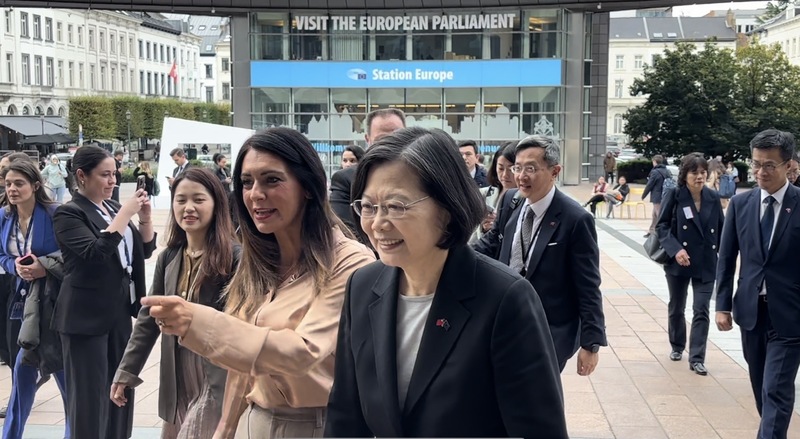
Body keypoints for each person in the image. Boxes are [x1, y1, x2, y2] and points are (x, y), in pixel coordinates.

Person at [325, 127, 567, 438]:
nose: (378, 224)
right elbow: (346, 412)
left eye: (396, 206)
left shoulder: (505, 298)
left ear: (447, 208)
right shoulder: (363, 285)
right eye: (368, 206)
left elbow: (540, 429)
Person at [141, 127, 375, 437]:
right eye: (247, 182)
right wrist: (225, 427)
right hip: (254, 420)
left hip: (317, 425)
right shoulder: (258, 259)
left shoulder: (350, 261)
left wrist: (196, 320)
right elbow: (244, 362)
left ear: (307, 185)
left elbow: (301, 353)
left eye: (272, 180)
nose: (255, 194)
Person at [112, 168, 239, 438]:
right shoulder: (169, 257)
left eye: (198, 200)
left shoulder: (235, 258)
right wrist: (127, 370)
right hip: (177, 373)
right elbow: (148, 319)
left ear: (216, 204)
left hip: (215, 374)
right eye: (181, 200)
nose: (188, 208)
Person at [473, 135, 607, 373]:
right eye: (518, 167)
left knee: (540, 400)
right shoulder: (510, 201)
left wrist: (591, 344)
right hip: (506, 320)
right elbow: (490, 244)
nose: (521, 177)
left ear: (555, 171)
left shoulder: (575, 219)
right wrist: (451, 254)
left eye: (531, 168)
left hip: (549, 330)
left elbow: (588, 285)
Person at [52, 145, 156, 439]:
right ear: (82, 176)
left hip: (119, 313)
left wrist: (145, 219)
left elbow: (143, 251)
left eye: (115, 174)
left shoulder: (110, 209)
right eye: (105, 175)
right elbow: (96, 252)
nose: (112, 181)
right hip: (84, 319)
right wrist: (126, 212)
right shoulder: (68, 214)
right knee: (89, 399)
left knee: (121, 390)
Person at [716, 129, 800, 438]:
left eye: (769, 165)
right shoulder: (741, 205)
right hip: (751, 313)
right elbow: (726, 259)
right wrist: (722, 305)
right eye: (756, 164)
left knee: (776, 389)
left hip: (790, 317)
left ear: (788, 166)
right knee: (762, 390)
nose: (760, 172)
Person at [0, 160, 70, 439]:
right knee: (22, 372)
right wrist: (13, 265)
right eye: (8, 184)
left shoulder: (55, 214)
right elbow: (1, 255)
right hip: (22, 302)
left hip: (54, 300)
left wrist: (42, 265)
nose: (13, 189)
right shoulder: (4, 216)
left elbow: (73, 253)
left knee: (63, 374)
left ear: (35, 186)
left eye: (19, 183)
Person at [656, 153, 724, 376]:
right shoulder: (675, 195)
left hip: (706, 262)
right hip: (679, 262)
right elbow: (662, 227)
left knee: (701, 309)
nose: (700, 177)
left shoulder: (713, 198)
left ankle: (697, 358)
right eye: (695, 172)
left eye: (703, 172)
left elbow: (722, 230)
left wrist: (728, 256)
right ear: (685, 175)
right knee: (677, 306)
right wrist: (676, 250)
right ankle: (677, 345)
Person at [330, 108, 406, 238]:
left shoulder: (422, 176)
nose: (391, 145)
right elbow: (344, 231)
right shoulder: (345, 180)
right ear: (368, 139)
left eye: (398, 138)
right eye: (381, 140)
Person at [470, 141, 517, 244]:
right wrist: (483, 228)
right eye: (500, 168)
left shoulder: (527, 199)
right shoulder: (484, 194)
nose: (504, 175)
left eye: (511, 169)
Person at [642, 154, 671, 238]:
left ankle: (661, 232)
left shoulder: (654, 172)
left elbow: (650, 184)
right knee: (655, 214)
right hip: (665, 194)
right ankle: (652, 231)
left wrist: (644, 195)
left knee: (659, 215)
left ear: (654, 162)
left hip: (657, 196)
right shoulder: (667, 171)